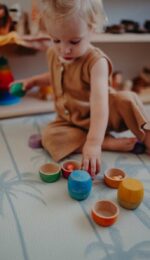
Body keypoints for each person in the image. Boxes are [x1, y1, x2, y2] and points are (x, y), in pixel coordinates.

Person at [10, 0, 150, 177]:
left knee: (127, 99)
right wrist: (33, 82)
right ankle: (108, 143)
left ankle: (146, 137)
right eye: (56, 40)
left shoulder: (96, 62)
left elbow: (100, 105)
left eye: (74, 41)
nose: (64, 49)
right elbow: (56, 76)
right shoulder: (54, 53)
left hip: (104, 115)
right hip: (72, 119)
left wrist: (93, 142)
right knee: (50, 137)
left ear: (92, 29)